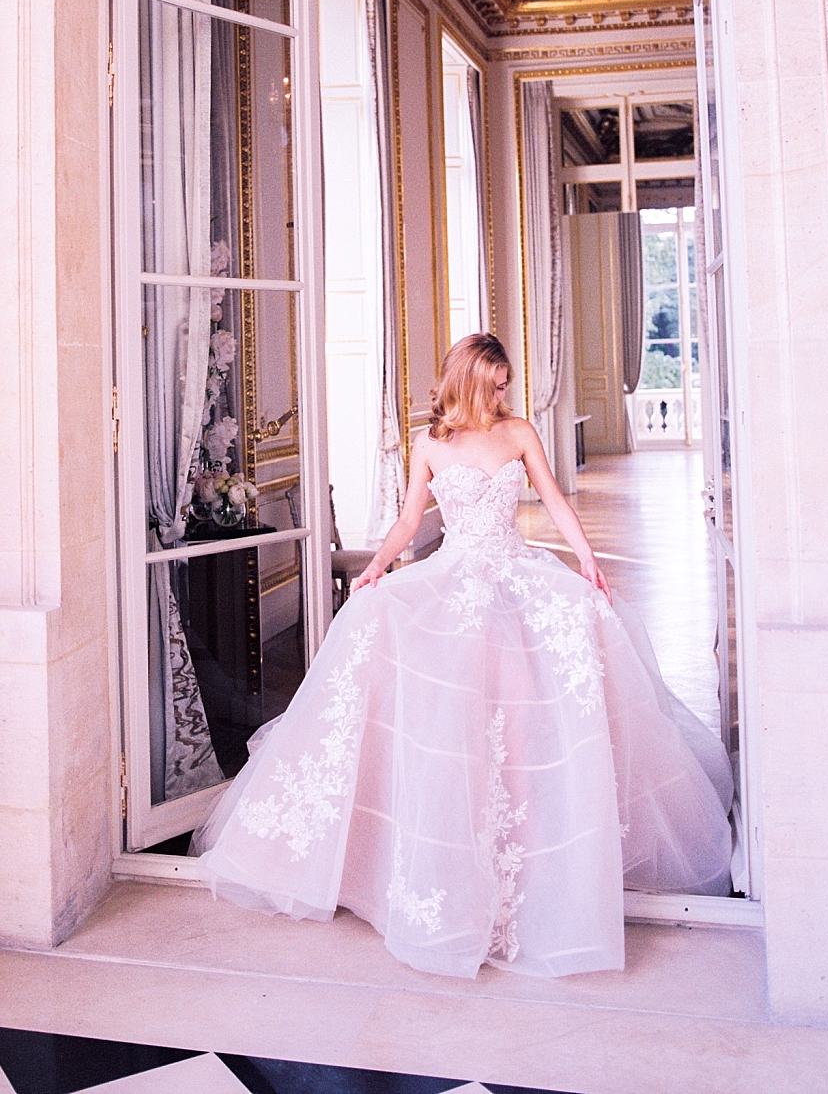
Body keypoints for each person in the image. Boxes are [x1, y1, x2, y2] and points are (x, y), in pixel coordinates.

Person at [193, 333, 733, 978]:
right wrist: (378, 571)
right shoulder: (431, 444)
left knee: (533, 691)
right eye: (496, 383)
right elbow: (408, 521)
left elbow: (555, 500)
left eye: (506, 384)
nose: (504, 393)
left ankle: (531, 846)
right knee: (435, 700)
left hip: (514, 571)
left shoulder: (520, 432)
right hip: (452, 577)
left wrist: (586, 557)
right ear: (470, 380)